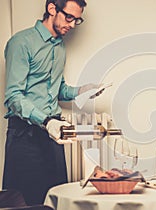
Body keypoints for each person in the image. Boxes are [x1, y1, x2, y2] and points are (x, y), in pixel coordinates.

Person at [2, 0, 99, 205]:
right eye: (69, 17)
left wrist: (81, 91)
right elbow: (13, 96)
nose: (72, 25)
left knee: (56, 199)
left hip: (53, 134)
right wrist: (46, 121)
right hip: (25, 134)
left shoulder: (59, 47)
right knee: (27, 202)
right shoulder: (21, 42)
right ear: (52, 9)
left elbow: (57, 89)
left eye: (77, 20)